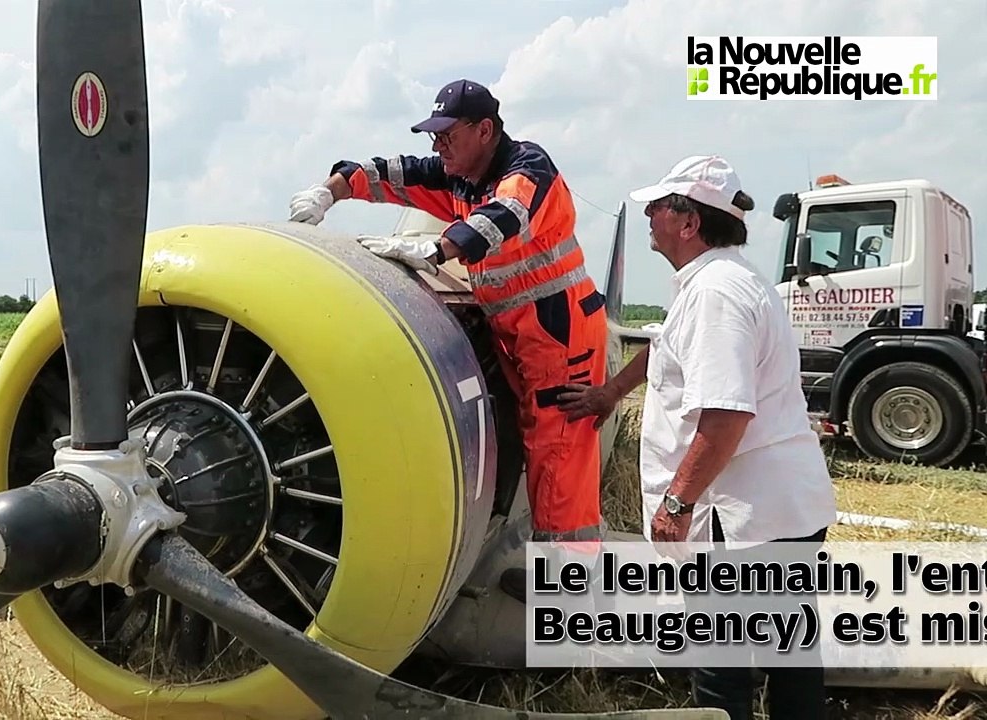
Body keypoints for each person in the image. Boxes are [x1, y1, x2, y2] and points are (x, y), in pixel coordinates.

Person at [288, 79, 609, 602]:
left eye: (447, 135)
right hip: (521, 334)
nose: (438, 147)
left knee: (559, 449)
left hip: (560, 332)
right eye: (433, 137)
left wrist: (437, 249)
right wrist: (330, 190)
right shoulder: (457, 175)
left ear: (485, 131)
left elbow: (502, 218)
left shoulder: (527, 169)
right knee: (537, 439)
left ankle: (572, 587)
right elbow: (386, 173)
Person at [554, 155, 838, 720]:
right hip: (775, 509)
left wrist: (677, 502)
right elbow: (665, 347)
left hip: (744, 520)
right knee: (788, 650)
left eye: (658, 208)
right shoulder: (716, 281)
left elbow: (728, 414)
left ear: (689, 222)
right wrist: (611, 393)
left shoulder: (716, 296)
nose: (650, 217)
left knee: (722, 665)